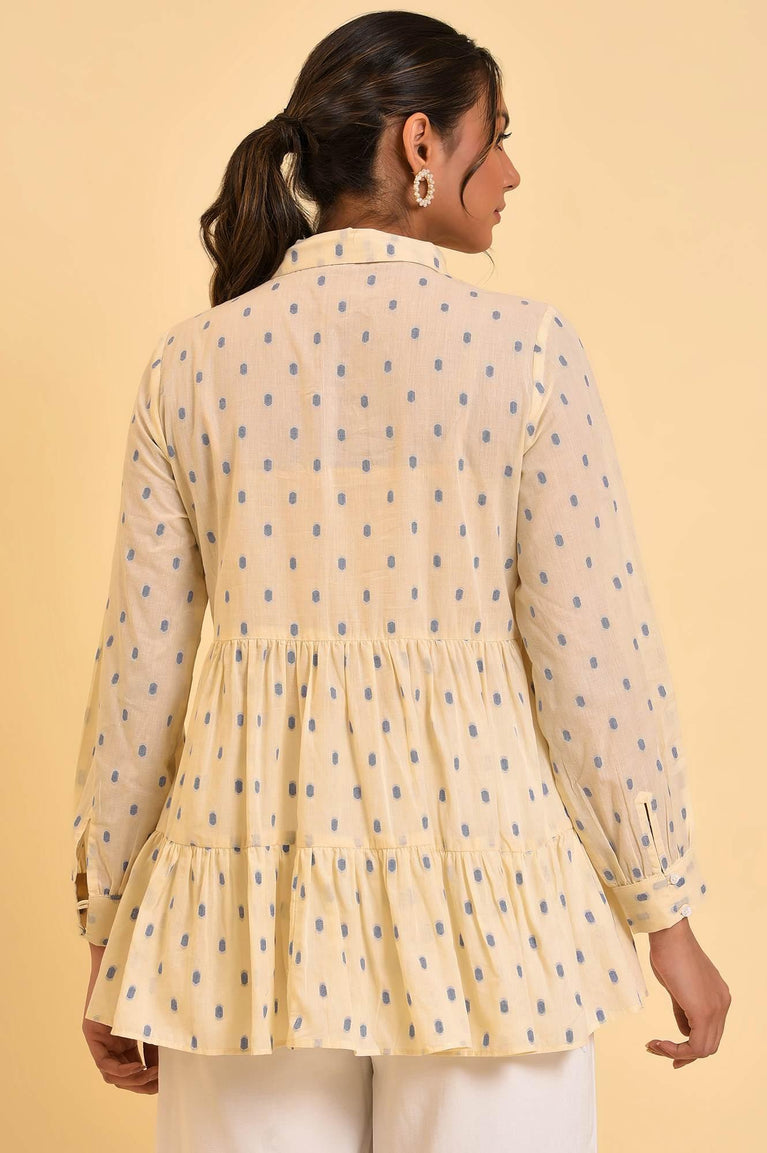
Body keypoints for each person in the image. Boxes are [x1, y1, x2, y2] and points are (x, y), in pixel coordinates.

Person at [70, 10, 731, 1152]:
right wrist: (660, 908)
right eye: (497, 135)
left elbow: (141, 679)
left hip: (241, 911)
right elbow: (591, 659)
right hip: (490, 908)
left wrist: (112, 931)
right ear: (421, 144)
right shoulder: (525, 351)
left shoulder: (191, 365)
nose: (510, 171)